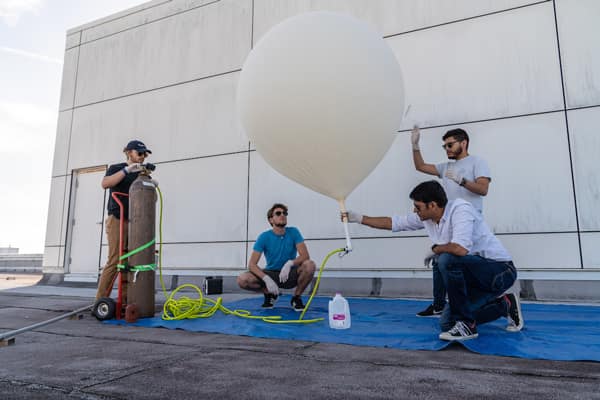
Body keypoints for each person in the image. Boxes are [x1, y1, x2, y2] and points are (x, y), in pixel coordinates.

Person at [344, 181, 523, 341]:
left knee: (445, 259)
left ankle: (467, 325)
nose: (415, 211)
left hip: (499, 272)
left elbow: (460, 249)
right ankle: (504, 305)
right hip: (476, 278)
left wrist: (435, 249)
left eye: (418, 207)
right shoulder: (429, 217)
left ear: (433, 205)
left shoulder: (461, 209)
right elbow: (394, 223)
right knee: (447, 323)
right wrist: (359, 219)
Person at [411, 127, 492, 317]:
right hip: (448, 222)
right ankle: (439, 305)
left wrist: (462, 181)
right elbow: (421, 166)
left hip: (469, 222)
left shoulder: (478, 162)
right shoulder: (446, 167)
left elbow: (483, 189)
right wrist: (415, 146)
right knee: (440, 261)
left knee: (462, 265)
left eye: (450, 144)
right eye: (444, 145)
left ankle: (484, 303)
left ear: (463, 143)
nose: (446, 149)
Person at [95, 140, 152, 302]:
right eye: (139, 153)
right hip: (117, 218)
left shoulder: (142, 174)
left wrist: (150, 181)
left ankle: (126, 300)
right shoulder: (117, 168)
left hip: (136, 221)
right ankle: (100, 301)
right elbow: (105, 184)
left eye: (144, 154)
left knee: (131, 259)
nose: (142, 157)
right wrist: (127, 170)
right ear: (129, 153)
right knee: (115, 259)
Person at [237, 203, 316, 311]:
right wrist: (266, 279)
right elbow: (252, 264)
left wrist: (290, 263)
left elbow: (305, 255)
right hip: (271, 273)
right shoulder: (264, 237)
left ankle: (296, 298)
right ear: (271, 220)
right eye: (278, 213)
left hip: (290, 274)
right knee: (242, 279)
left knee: (310, 265)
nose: (282, 215)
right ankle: (270, 294)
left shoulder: (294, 232)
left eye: (285, 213)